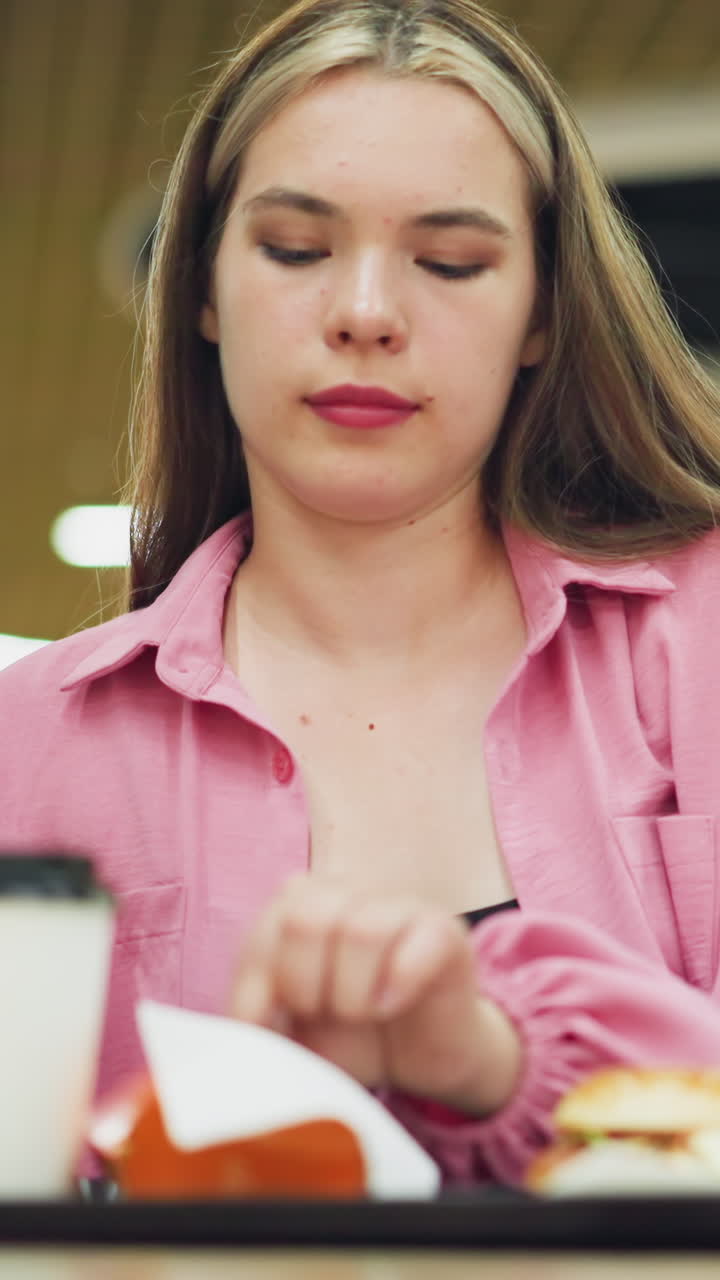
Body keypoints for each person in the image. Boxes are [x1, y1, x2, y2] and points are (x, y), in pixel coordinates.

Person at [4, 0, 720, 1188]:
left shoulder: (702, 638)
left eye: (450, 261)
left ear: (541, 311)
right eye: (294, 248)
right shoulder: (29, 742)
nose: (367, 313)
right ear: (202, 291)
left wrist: (501, 1060)